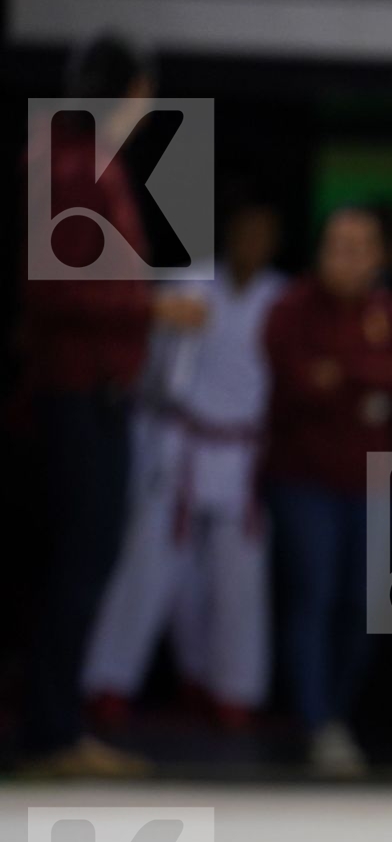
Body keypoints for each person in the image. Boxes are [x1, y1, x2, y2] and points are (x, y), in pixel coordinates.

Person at [13, 34, 209, 777]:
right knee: (80, 558)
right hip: (79, 388)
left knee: (84, 558)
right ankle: (51, 730)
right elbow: (55, 290)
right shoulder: (71, 165)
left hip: (92, 386)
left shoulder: (76, 159)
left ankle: (57, 724)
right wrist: (155, 310)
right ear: (130, 91)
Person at [80, 201, 286, 733]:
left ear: (275, 241)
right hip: (180, 442)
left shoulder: (282, 299)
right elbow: (143, 364)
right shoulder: (188, 283)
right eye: (245, 231)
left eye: (262, 234)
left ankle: (234, 691)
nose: (251, 243)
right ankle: (108, 682)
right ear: (229, 233)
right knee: (149, 566)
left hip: (242, 450)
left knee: (237, 578)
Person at [263, 206, 392, 777]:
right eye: (336, 245)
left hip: (374, 483)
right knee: (313, 595)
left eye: (359, 247)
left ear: (379, 256)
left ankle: (336, 715)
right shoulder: (290, 309)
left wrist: (347, 373)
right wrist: (370, 375)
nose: (346, 258)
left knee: (367, 606)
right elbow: (299, 381)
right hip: (304, 480)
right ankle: (316, 721)